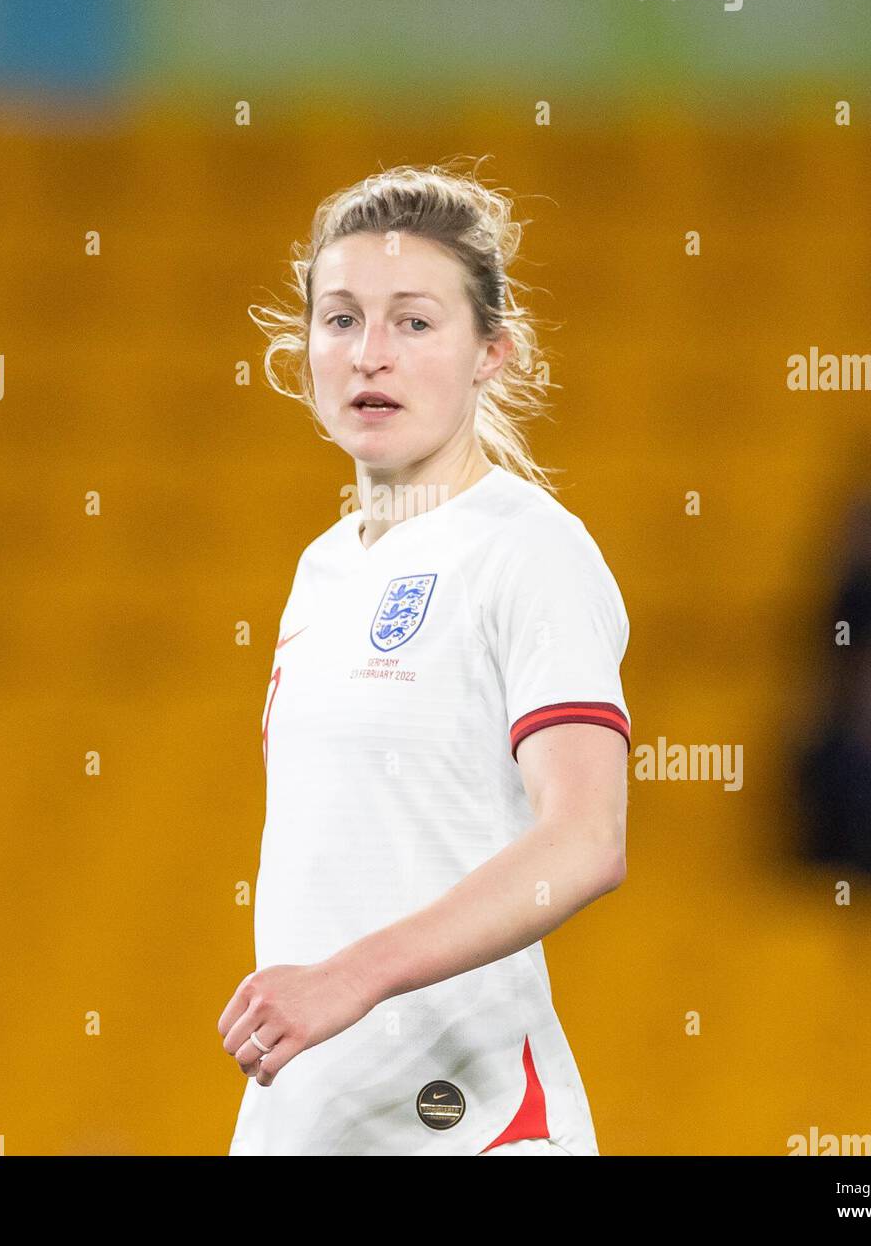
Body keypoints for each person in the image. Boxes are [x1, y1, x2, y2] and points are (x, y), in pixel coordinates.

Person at [219, 159, 632, 1155]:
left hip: (469, 1123)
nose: (370, 355)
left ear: (491, 351)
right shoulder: (321, 571)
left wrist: (350, 977)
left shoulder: (528, 549)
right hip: (311, 1119)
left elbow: (586, 841)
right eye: (341, 318)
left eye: (413, 322)